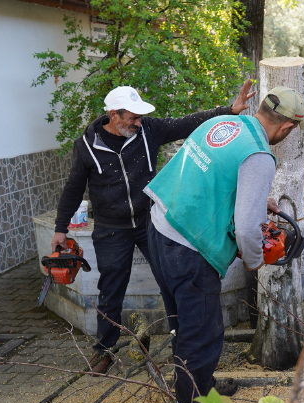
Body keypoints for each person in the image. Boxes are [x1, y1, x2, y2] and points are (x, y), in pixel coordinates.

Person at [51, 81, 257, 374]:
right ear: (113, 115)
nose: (138, 121)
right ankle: (104, 350)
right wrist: (61, 228)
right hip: (111, 228)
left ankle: (181, 347)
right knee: (110, 290)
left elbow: (185, 123)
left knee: (172, 283)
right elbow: (73, 188)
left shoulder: (148, 130)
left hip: (151, 221)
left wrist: (229, 110)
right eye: (132, 117)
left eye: (140, 116)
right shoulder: (86, 145)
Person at [143, 86, 304, 403]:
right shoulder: (259, 156)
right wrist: (254, 260)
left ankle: (199, 387)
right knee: (204, 334)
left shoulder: (223, 124)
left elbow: (211, 176)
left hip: (160, 226)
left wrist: (256, 199)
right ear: (287, 127)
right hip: (189, 249)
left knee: (183, 323)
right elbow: (246, 229)